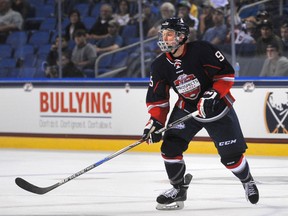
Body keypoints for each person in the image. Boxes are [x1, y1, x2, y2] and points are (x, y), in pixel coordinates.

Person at [141, 17, 259, 210]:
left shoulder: (202, 50)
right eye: (163, 34)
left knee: (231, 157)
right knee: (169, 148)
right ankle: (178, 188)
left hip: (216, 108)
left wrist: (213, 94)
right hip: (187, 108)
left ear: (181, 36)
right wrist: (154, 122)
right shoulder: (159, 65)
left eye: (169, 34)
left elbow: (225, 74)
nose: (164, 38)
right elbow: (158, 100)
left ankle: (247, 181)